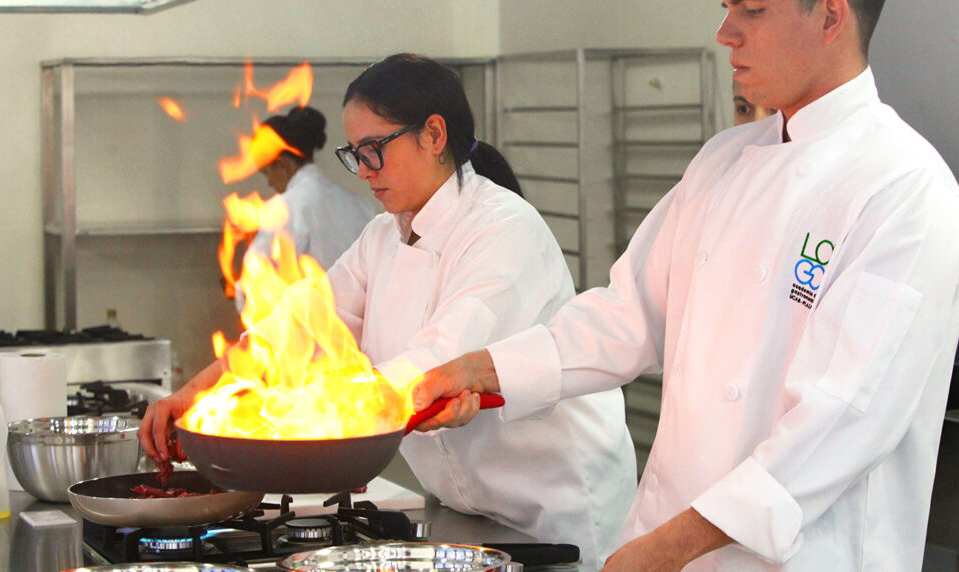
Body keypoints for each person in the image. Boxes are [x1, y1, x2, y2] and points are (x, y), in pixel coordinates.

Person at [412, 1, 959, 571]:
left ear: (830, 17)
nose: (725, 33)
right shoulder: (721, 161)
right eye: (727, 8)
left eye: (752, 11)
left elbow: (841, 423)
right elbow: (625, 314)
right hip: (670, 535)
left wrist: (669, 548)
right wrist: (480, 369)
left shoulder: (906, 192)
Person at [141, 53, 637, 571]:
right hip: (463, 508)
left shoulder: (504, 230)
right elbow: (301, 327)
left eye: (374, 149)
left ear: (433, 135)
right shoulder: (383, 236)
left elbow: (436, 362)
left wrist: (280, 425)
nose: (363, 171)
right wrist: (195, 395)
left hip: (555, 513)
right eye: (354, 154)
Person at [247, 106, 375, 273]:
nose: (270, 183)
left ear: (282, 164)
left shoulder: (284, 208)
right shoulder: (360, 206)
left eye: (267, 173)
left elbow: (256, 274)